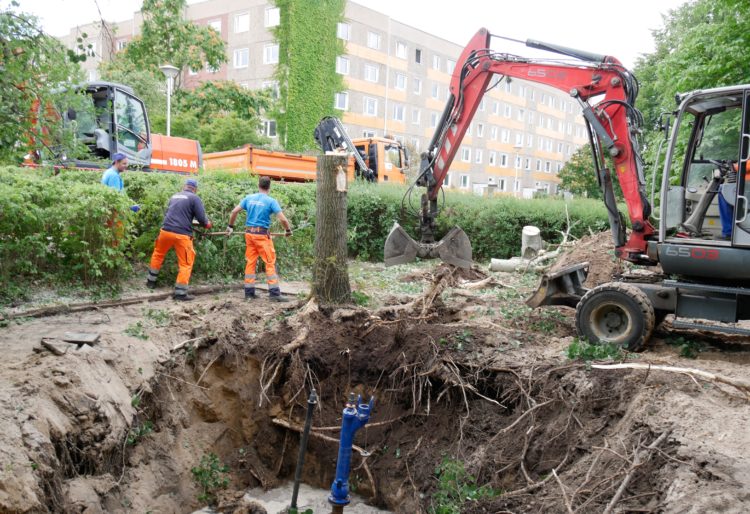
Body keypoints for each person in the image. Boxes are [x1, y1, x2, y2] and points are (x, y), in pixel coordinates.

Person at [227, 176, 292, 302]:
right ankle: (274, 293)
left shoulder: (249, 198)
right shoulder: (271, 201)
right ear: (269, 187)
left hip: (249, 235)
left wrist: (230, 226)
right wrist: (288, 230)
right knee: (269, 262)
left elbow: (234, 212)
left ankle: (249, 293)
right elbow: (283, 219)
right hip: (262, 236)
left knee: (250, 261)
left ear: (259, 185)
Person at [146, 178, 212, 301]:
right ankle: (180, 293)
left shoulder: (174, 196)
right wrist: (208, 225)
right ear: (195, 189)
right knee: (186, 263)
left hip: (165, 231)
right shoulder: (194, 198)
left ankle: (151, 282)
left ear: (184, 186)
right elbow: (202, 220)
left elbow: (170, 213)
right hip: (181, 235)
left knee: (158, 254)